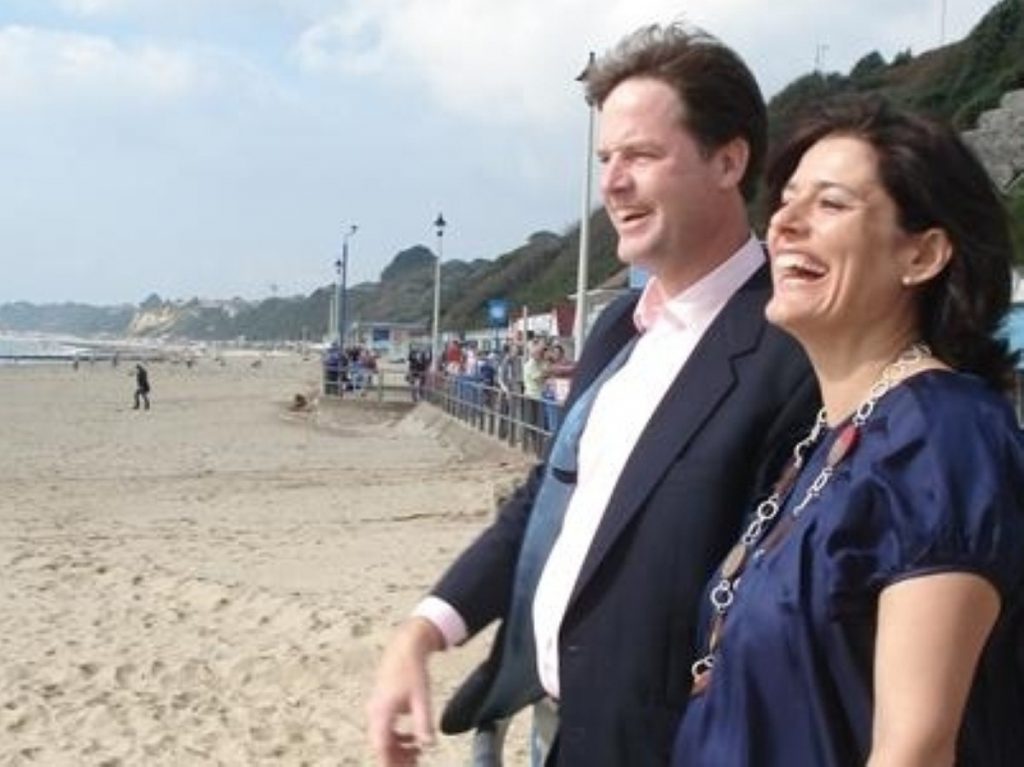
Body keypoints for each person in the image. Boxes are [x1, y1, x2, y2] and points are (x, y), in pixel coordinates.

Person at [367, 23, 819, 767]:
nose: (610, 181)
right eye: (607, 157)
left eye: (641, 154)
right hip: (562, 733)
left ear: (729, 160)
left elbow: (789, 615)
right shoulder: (618, 326)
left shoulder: (791, 348)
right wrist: (423, 630)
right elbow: (550, 497)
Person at [673, 95, 1024, 766]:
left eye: (830, 205)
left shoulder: (942, 437)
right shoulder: (824, 440)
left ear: (922, 255)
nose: (784, 224)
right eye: (786, 199)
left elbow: (914, 748)